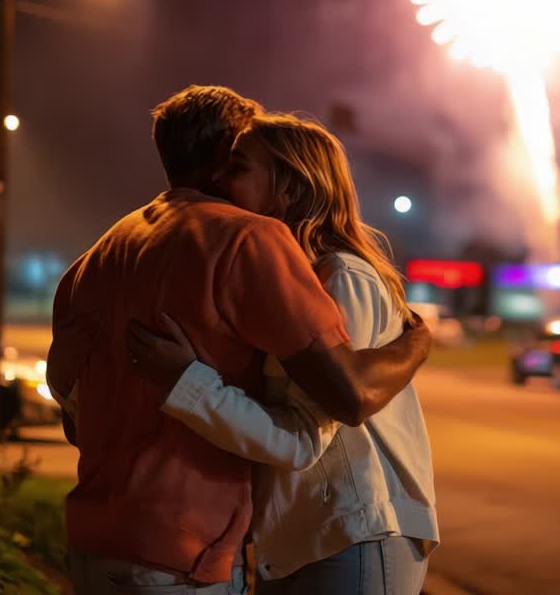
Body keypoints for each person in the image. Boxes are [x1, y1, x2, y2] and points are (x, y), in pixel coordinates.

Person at [44, 86, 431, 595]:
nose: (231, 175)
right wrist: (417, 343)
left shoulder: (96, 258)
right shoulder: (245, 238)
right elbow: (334, 406)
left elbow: (74, 416)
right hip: (184, 549)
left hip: (97, 542)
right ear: (223, 153)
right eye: (237, 156)